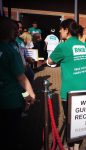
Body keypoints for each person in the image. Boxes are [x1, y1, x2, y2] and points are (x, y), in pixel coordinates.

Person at [47, 18, 86, 150]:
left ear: (67, 30)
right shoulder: (83, 44)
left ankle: (70, 146)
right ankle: (76, 146)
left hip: (70, 89)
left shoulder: (63, 45)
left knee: (70, 120)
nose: (60, 31)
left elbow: (50, 61)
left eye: (61, 28)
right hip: (85, 86)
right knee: (80, 119)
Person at [0, 16, 35, 149]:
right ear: (6, 31)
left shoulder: (12, 45)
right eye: (13, 29)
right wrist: (30, 96)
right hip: (11, 100)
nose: (16, 32)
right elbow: (21, 79)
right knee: (11, 130)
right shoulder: (10, 50)